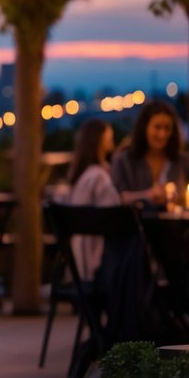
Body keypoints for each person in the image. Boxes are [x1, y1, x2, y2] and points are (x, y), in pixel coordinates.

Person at [110, 100, 189, 208]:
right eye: (157, 127)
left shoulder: (185, 161)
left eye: (167, 128)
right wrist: (147, 195)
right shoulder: (124, 160)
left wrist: (177, 198)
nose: (162, 134)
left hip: (178, 223)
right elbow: (116, 198)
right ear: (145, 128)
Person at [65, 118, 120, 281]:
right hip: (96, 255)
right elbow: (113, 214)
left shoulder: (83, 175)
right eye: (109, 137)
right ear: (100, 140)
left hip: (79, 255)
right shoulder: (99, 177)